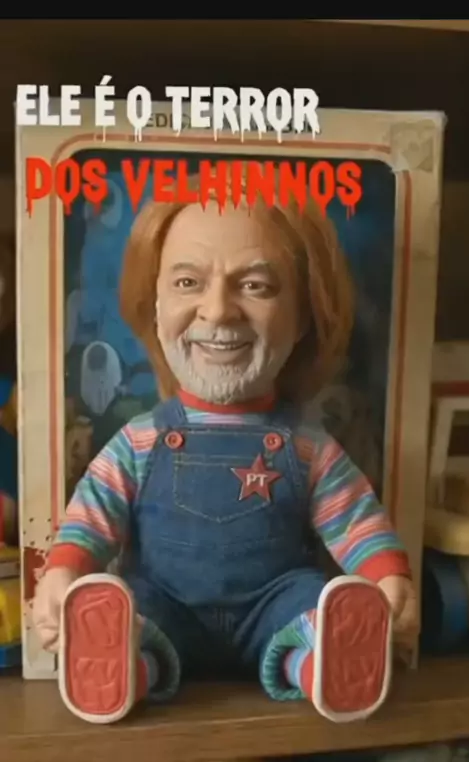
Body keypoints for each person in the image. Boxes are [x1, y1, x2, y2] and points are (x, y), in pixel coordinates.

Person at [33, 170, 418, 725]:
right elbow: (93, 513)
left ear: (304, 316)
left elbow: (354, 518)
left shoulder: (307, 448)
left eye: (255, 286)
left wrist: (388, 579)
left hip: (277, 603)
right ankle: (122, 668)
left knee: (315, 606)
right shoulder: (140, 440)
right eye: (188, 282)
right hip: (163, 602)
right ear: (155, 304)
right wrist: (63, 573)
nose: (217, 311)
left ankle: (324, 666)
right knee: (131, 614)